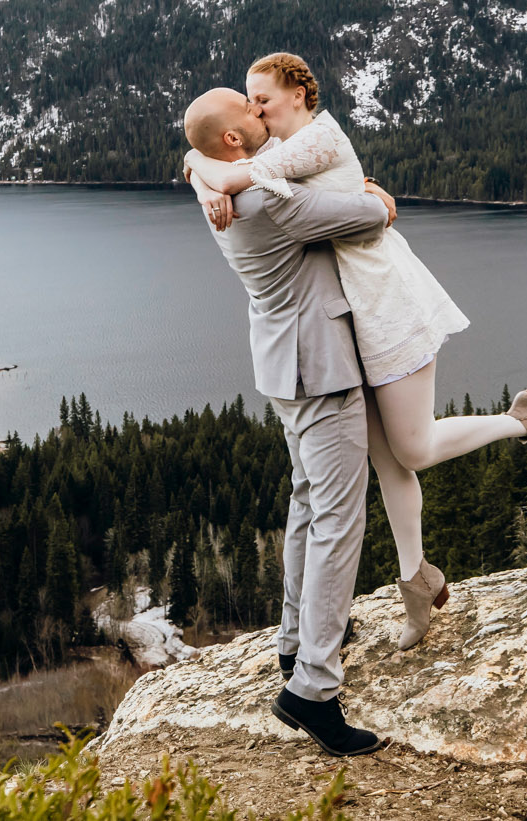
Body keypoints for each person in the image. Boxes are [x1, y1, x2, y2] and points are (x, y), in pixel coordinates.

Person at [185, 53, 527, 651]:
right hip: (348, 327)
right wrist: (197, 164)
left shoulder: (316, 138)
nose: (257, 106)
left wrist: (207, 174)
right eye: (249, 101)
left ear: (298, 93)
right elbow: (221, 159)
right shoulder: (269, 155)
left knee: (410, 451)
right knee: (386, 463)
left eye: (263, 97)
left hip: (387, 305)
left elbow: (254, 181)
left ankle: (521, 420)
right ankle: (416, 583)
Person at [181, 84, 391, 757]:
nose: (262, 108)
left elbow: (197, 155)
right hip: (320, 369)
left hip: (282, 366)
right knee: (338, 515)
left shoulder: (214, 180)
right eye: (251, 109)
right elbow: (368, 211)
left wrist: (197, 167)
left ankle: (296, 640)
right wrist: (378, 197)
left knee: (307, 498)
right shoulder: (269, 199)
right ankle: (313, 688)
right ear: (236, 140)